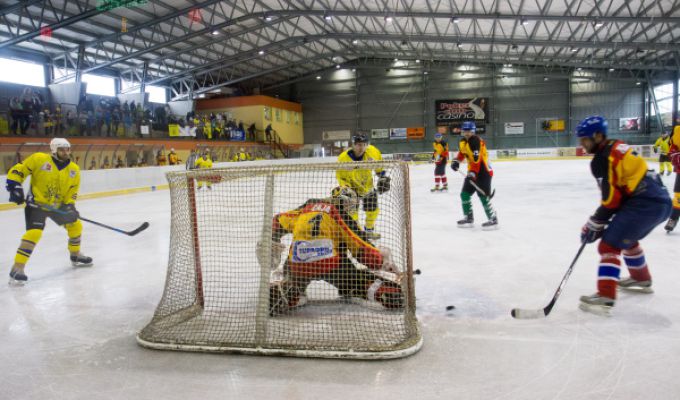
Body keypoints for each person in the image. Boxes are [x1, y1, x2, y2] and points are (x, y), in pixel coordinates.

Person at [575, 116, 672, 314]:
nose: (582, 144)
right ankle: (640, 278)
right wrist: (600, 221)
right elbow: (620, 195)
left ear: (598, 136)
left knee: (608, 245)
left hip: (644, 203)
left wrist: (594, 223)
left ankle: (605, 297)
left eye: (585, 139)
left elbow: (611, 201)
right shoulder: (616, 146)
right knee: (624, 238)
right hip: (659, 200)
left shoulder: (602, 159)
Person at [257, 186, 403, 316]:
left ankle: (289, 292)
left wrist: (272, 239)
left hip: (297, 264)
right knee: (356, 280)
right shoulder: (342, 216)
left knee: (293, 279)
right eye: (349, 205)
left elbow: (278, 221)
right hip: (331, 265)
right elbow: (360, 248)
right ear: (344, 202)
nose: (349, 208)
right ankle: (382, 291)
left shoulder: (306, 208)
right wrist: (380, 261)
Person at [5, 138, 93, 284]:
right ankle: (17, 268)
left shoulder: (74, 169)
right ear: (54, 150)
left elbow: (72, 191)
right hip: (37, 204)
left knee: (75, 225)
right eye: (62, 149)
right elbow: (19, 170)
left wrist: (70, 206)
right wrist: (15, 187)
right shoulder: (39, 159)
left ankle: (76, 254)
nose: (65, 152)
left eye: (67, 149)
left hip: (57, 206)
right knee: (34, 233)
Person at [336, 133, 390, 240]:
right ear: (353, 145)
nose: (362, 147)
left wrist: (382, 177)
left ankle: (368, 231)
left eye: (364, 144)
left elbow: (379, 166)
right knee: (352, 214)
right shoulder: (343, 158)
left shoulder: (372, 152)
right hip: (352, 189)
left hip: (367, 187)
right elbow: (340, 176)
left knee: (373, 211)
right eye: (359, 145)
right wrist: (345, 188)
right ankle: (358, 233)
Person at [451, 121, 498, 229]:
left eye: (469, 131)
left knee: (483, 196)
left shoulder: (476, 141)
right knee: (464, 194)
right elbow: (462, 153)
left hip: (483, 172)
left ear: (473, 131)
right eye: (465, 131)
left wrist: (473, 173)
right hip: (472, 172)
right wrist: (456, 161)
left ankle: (493, 219)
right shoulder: (463, 141)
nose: (467, 133)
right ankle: (468, 217)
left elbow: (477, 160)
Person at [665, 125, 680, 232]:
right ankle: (673, 219)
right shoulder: (677, 131)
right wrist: (676, 156)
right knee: (678, 198)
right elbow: (671, 151)